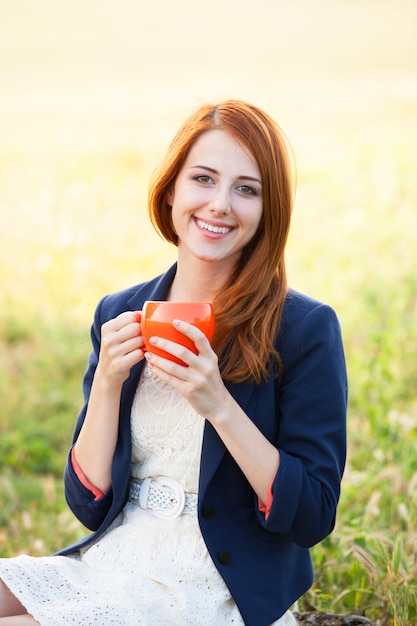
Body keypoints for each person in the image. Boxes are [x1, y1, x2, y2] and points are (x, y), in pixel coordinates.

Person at [0, 99, 347, 626]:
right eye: (203, 179)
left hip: (215, 586)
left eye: (246, 189)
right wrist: (109, 386)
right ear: (171, 190)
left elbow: (311, 515)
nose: (220, 205)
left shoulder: (304, 329)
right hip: (116, 558)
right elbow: (88, 502)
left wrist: (219, 405)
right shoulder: (120, 312)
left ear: (267, 209)